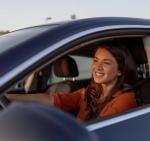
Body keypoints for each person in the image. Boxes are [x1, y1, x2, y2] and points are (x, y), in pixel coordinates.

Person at [5, 42, 137, 121]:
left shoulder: (125, 99)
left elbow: (101, 131)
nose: (97, 67)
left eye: (106, 62)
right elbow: (52, 100)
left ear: (120, 71)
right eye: (96, 60)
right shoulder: (89, 92)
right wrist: (8, 97)